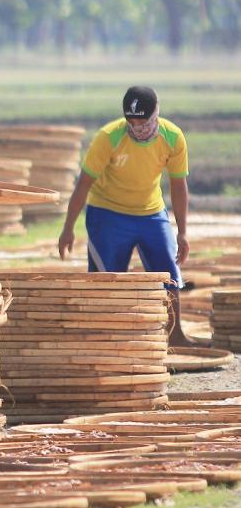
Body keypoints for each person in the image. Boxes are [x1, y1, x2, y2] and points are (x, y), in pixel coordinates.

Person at [58, 85, 192, 347]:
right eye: (132, 121)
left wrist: (182, 231)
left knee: (169, 274)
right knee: (108, 281)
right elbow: (83, 184)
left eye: (144, 120)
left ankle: (175, 335)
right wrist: (68, 228)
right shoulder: (109, 137)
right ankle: (107, 339)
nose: (138, 126)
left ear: (156, 114)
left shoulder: (173, 137)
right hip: (108, 214)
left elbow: (178, 185)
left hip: (151, 212)